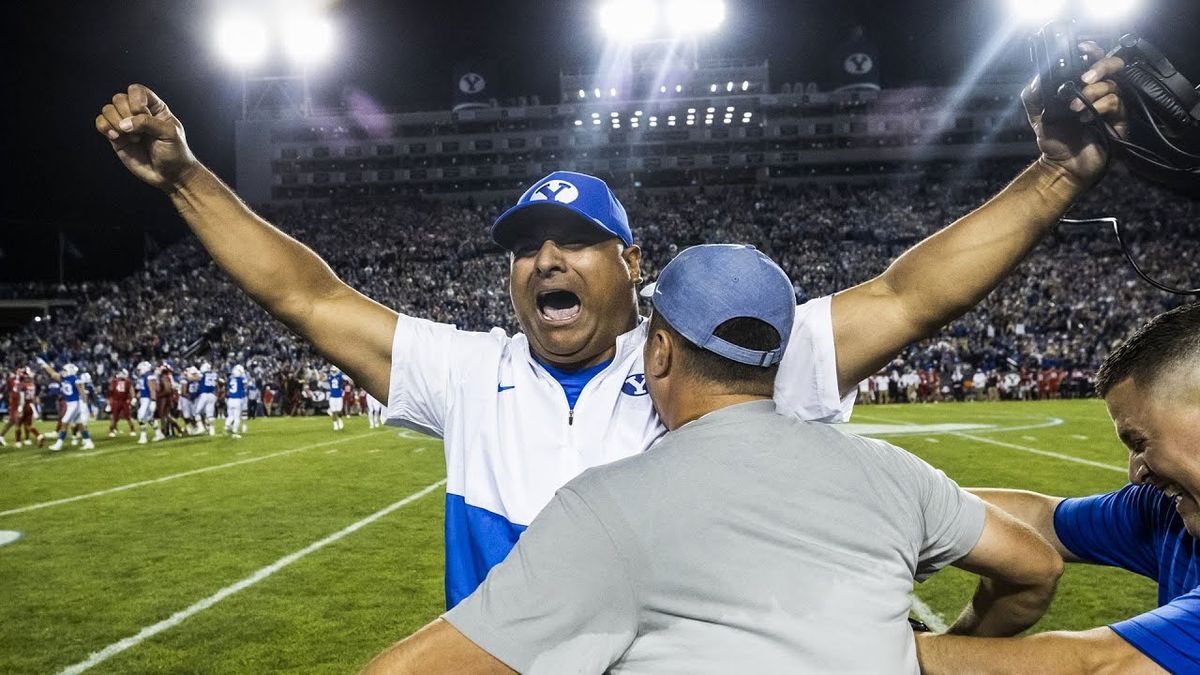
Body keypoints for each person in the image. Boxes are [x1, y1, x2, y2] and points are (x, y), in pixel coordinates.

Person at [95, 48, 1127, 607]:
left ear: (631, 265)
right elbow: (308, 298)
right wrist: (185, 175)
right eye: (527, 244)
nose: (546, 259)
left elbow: (909, 298)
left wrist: (1059, 174)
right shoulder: (468, 375)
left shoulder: (723, 358)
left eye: (577, 240)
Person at [361, 245, 1064, 674]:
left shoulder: (605, 507)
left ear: (658, 350)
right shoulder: (896, 473)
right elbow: (1034, 565)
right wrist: (945, 648)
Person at [916, 304, 1200, 674]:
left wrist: (889, 652)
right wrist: (894, 500)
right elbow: (1043, 519)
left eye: (1139, 442)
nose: (1135, 473)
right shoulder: (1165, 514)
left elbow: (1095, 665)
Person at [38, 360, 95, 451]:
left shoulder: (76, 379)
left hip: (74, 404)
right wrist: (45, 365)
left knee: (64, 422)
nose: (63, 371)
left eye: (65, 370)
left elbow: (82, 394)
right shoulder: (65, 378)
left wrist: (84, 405)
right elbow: (53, 374)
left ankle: (58, 444)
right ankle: (88, 442)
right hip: (70, 404)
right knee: (80, 425)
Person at [107, 368, 136, 437]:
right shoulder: (116, 381)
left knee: (126, 416)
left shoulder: (117, 381)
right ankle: (112, 430)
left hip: (123, 401)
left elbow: (110, 391)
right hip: (118, 401)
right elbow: (110, 391)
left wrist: (133, 397)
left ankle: (131, 429)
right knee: (115, 417)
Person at [134, 360, 157, 444]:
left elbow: (152, 389)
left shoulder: (149, 376)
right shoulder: (142, 377)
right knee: (149, 418)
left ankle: (143, 436)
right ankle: (158, 434)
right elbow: (142, 389)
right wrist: (135, 398)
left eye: (139, 369)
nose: (138, 371)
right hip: (143, 398)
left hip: (148, 399)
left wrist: (153, 401)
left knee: (140, 416)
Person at [195, 361, 218, 435]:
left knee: (196, 412)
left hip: (204, 395)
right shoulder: (214, 375)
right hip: (212, 394)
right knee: (210, 414)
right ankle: (212, 431)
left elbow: (194, 378)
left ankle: (200, 427)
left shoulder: (202, 374)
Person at [225, 364, 247, 438]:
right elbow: (245, 386)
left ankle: (227, 425)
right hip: (237, 399)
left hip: (230, 399)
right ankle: (235, 431)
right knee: (237, 417)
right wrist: (243, 375)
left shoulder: (230, 379)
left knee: (230, 416)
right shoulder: (241, 379)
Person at [327, 365, 345, 431]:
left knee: (339, 411)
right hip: (332, 397)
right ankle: (335, 424)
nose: (333, 372)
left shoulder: (340, 377)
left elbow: (342, 381)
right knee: (333, 411)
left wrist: (338, 372)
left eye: (334, 371)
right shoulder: (329, 377)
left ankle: (340, 419)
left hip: (339, 396)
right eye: (332, 371)